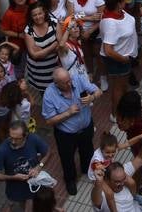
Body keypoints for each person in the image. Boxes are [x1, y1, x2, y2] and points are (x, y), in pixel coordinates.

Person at [42, 67, 100, 197]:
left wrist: (92, 97)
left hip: (86, 128)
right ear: (56, 84)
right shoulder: (49, 94)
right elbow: (49, 121)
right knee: (67, 158)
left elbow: (98, 91)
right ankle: (70, 180)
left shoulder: (77, 79)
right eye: (65, 82)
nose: (70, 83)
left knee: (87, 150)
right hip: (66, 135)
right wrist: (67, 113)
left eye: (69, 80)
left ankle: (87, 169)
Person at [0, 120, 51, 209]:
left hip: (34, 183)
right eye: (11, 137)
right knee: (9, 204)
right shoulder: (3, 150)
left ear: (25, 136)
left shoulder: (33, 139)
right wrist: (13, 177)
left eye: (17, 139)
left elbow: (48, 151)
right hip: (15, 188)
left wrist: (39, 167)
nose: (13, 142)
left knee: (31, 202)